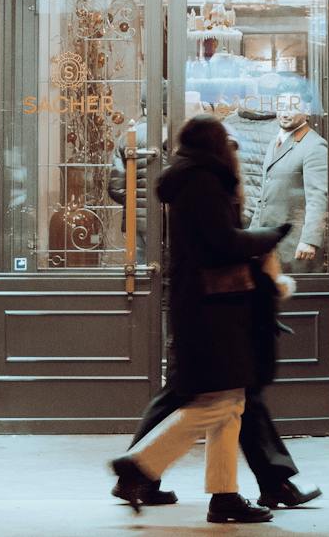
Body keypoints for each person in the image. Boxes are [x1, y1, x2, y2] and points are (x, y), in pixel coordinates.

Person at [110, 117, 286, 524]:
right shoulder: (203, 182)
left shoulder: (194, 179)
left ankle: (225, 496)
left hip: (211, 306)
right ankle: (139, 466)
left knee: (231, 403)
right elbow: (221, 243)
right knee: (219, 403)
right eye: (224, 139)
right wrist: (267, 237)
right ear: (213, 144)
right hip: (212, 310)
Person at [249, 110, 329, 273]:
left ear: (307, 111)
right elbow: (263, 197)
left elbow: (318, 197)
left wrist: (310, 240)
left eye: (292, 107)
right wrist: (252, 235)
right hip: (269, 245)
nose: (284, 113)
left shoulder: (315, 146)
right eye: (281, 106)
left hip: (295, 248)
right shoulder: (275, 142)